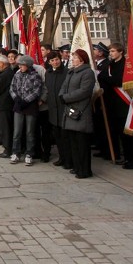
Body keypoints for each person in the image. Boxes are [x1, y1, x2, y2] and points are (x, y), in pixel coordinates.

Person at [59, 49, 96, 179]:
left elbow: (84, 91)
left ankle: (84, 170)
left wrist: (66, 98)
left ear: (82, 59)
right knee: (73, 142)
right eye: (72, 57)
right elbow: (64, 87)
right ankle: (77, 166)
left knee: (82, 143)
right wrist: (62, 96)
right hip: (69, 110)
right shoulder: (71, 72)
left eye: (74, 57)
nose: (72, 59)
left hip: (81, 111)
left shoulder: (87, 73)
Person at [9, 55, 44, 166]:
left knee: (30, 132)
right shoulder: (17, 74)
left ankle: (29, 154)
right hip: (19, 106)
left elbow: (37, 90)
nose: (20, 67)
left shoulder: (35, 75)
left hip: (30, 106)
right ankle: (16, 152)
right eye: (19, 65)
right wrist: (16, 98)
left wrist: (27, 100)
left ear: (28, 65)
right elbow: (12, 88)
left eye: (22, 65)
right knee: (17, 131)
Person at [45, 51, 71, 169]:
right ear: (49, 62)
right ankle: (61, 158)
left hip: (64, 108)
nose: (55, 62)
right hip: (53, 109)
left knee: (66, 137)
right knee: (57, 136)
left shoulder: (67, 73)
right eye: (52, 61)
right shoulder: (48, 73)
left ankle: (69, 160)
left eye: (57, 59)